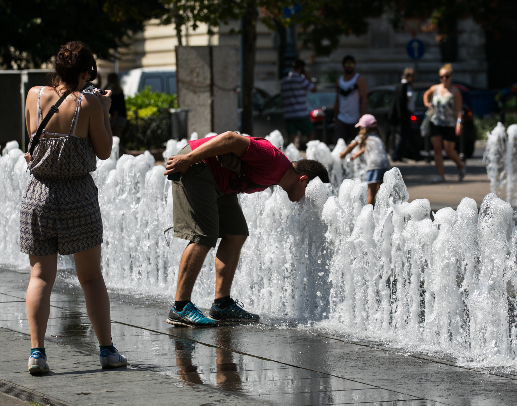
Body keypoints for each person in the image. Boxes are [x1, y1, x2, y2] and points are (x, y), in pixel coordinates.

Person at [21, 41, 126, 374]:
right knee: (91, 278)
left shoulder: (33, 95)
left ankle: (37, 353)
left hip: (38, 194)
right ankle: (107, 351)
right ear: (85, 73)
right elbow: (106, 150)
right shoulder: (90, 102)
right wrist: (102, 111)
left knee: (40, 276)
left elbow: (34, 138)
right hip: (77, 195)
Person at [163, 132, 330, 326]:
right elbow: (231, 139)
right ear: (302, 179)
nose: (306, 201)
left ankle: (222, 305)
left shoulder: (276, 176)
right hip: (197, 166)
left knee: (236, 233)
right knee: (203, 235)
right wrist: (188, 159)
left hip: (220, 183)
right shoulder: (274, 161)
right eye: (309, 194)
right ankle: (180, 307)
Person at [423, 63, 466, 183]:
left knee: (449, 151)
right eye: (441, 76)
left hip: (449, 124)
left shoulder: (455, 92)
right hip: (435, 122)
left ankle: (460, 165)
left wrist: (459, 123)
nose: (444, 78)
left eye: (446, 76)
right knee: (437, 149)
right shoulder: (435, 88)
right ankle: (440, 175)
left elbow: (458, 110)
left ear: (451, 76)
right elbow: (426, 94)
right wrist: (427, 104)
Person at [339, 114, 390, 206]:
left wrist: (343, 154)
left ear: (363, 127)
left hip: (374, 166)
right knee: (382, 192)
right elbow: (369, 148)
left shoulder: (363, 137)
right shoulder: (378, 136)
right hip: (385, 164)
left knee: (371, 193)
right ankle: (383, 212)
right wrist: (358, 154)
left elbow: (351, 146)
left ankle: (370, 214)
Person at [281, 59, 317, 149]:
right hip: (301, 113)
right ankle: (311, 156)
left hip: (289, 114)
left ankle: (287, 159)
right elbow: (314, 89)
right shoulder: (301, 80)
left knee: (290, 139)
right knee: (310, 135)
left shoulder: (284, 81)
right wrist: (308, 77)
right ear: (302, 68)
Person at [334, 55, 367, 143]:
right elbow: (337, 100)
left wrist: (361, 117)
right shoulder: (339, 81)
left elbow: (364, 99)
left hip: (355, 119)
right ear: (343, 65)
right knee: (339, 144)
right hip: (341, 118)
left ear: (354, 65)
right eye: (346, 64)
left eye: (351, 64)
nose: (349, 66)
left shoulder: (359, 79)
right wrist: (335, 117)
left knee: (356, 144)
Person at [389, 67, 420, 161]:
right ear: (407, 76)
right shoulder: (403, 86)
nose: (414, 77)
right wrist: (401, 116)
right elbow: (400, 103)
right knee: (404, 136)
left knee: (409, 136)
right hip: (404, 115)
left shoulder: (408, 86)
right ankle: (396, 155)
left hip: (408, 114)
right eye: (412, 75)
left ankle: (416, 155)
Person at [104, 73, 127, 138]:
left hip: (118, 118)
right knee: (115, 138)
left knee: (114, 138)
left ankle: (120, 148)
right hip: (121, 118)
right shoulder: (119, 91)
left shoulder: (116, 94)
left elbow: (116, 110)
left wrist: (112, 123)